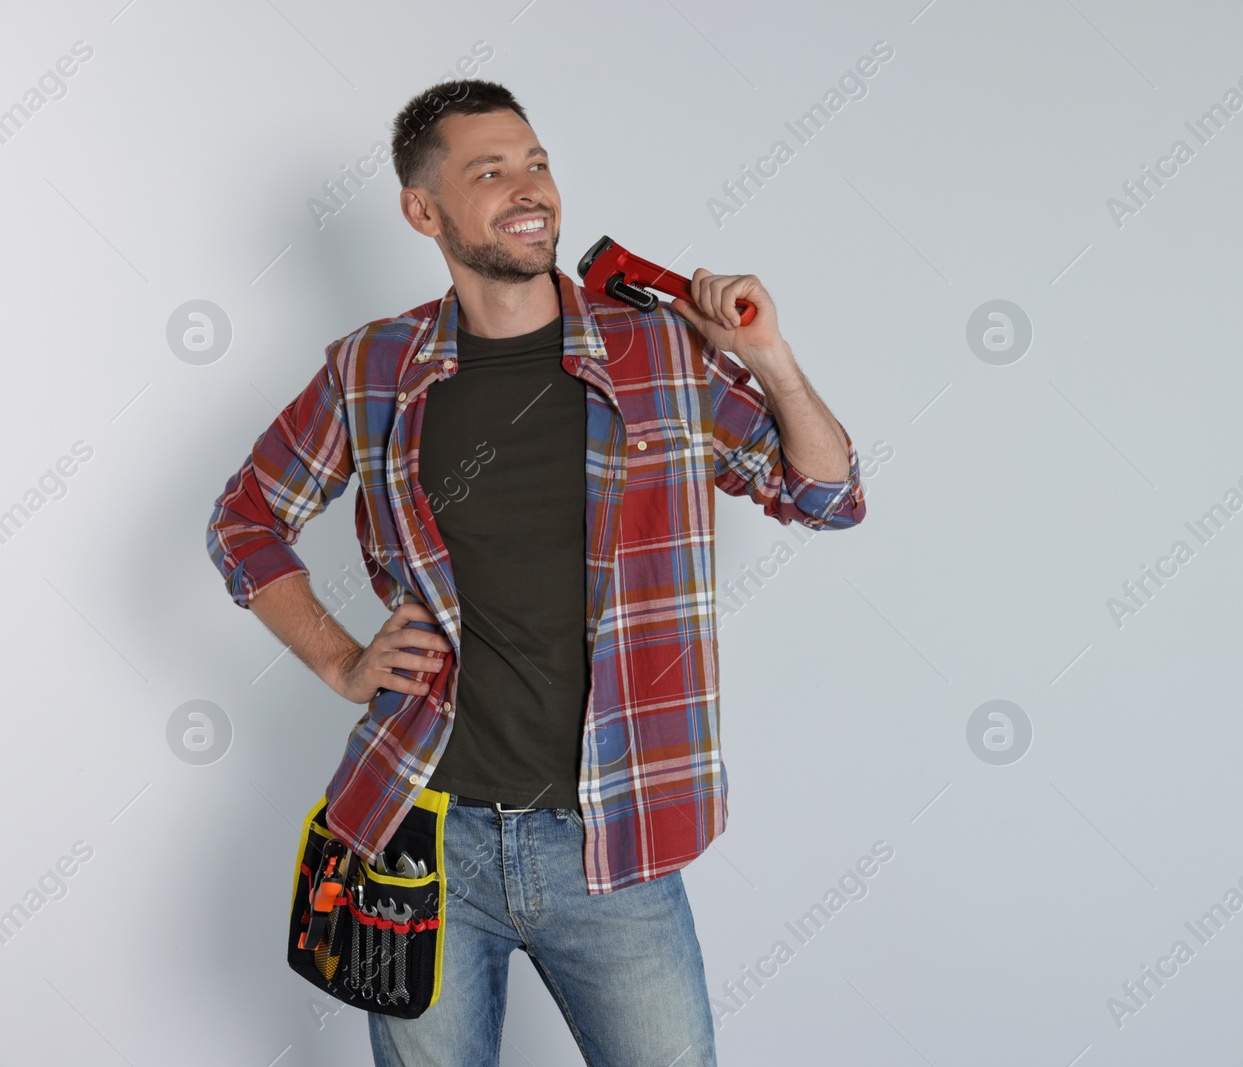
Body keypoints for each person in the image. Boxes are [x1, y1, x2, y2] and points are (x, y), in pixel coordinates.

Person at [205, 78, 868, 1066]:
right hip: (423, 835)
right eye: (490, 170)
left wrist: (766, 357)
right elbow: (245, 517)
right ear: (422, 210)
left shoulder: (661, 350)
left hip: (615, 838)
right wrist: (341, 659)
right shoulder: (374, 369)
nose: (528, 189)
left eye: (536, 163)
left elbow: (826, 496)